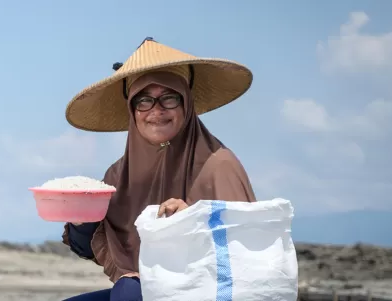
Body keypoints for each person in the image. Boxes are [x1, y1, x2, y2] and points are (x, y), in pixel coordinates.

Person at [60, 37, 258, 301]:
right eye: (143, 100)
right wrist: (82, 220)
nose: (156, 110)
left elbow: (248, 255)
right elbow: (95, 248)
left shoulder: (219, 165)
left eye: (169, 98)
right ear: (132, 109)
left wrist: (196, 220)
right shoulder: (118, 175)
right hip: (138, 291)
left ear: (186, 103)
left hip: (206, 292)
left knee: (129, 292)